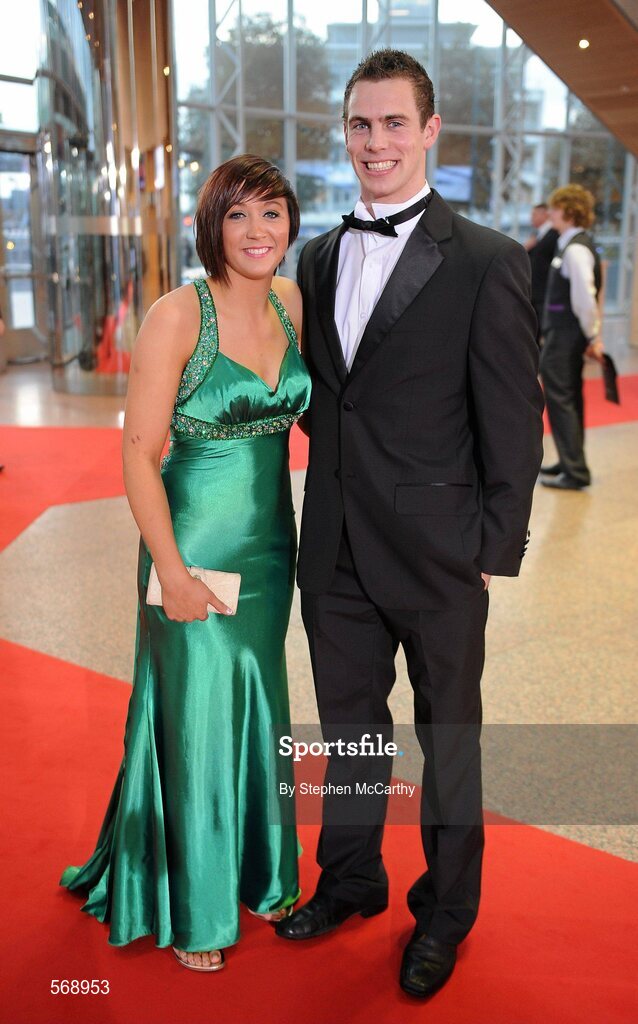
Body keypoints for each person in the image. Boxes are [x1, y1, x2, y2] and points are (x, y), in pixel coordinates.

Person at [274, 49, 544, 1000]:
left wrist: (487, 550)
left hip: (437, 557)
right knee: (349, 732)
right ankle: (350, 882)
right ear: (342, 133)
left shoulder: (486, 261)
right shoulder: (316, 255)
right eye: (360, 124)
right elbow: (326, 400)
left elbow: (513, 417)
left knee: (448, 741)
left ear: (431, 132)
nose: (375, 142)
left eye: (394, 123)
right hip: (335, 544)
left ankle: (446, 915)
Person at [60, 155, 311, 971]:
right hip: (193, 541)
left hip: (271, 544)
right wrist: (169, 569)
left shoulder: (289, 300)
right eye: (238, 215)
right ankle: (196, 904)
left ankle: (261, 874)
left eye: (271, 213)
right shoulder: (177, 315)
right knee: (196, 714)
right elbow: (139, 454)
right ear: (213, 226)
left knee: (257, 702)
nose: (257, 231)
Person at [539, 184, 603, 490]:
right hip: (564, 333)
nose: (550, 212)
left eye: (554, 207)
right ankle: (569, 461)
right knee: (568, 399)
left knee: (562, 400)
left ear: (567, 210)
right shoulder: (569, 244)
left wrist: (593, 336)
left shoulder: (576, 248)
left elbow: (585, 298)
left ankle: (575, 470)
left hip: (565, 335)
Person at [524, 202, 559, 342]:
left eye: (534, 214)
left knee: (543, 326)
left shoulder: (553, 235)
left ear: (545, 214)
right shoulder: (537, 235)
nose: (531, 218)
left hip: (545, 290)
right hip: (534, 289)